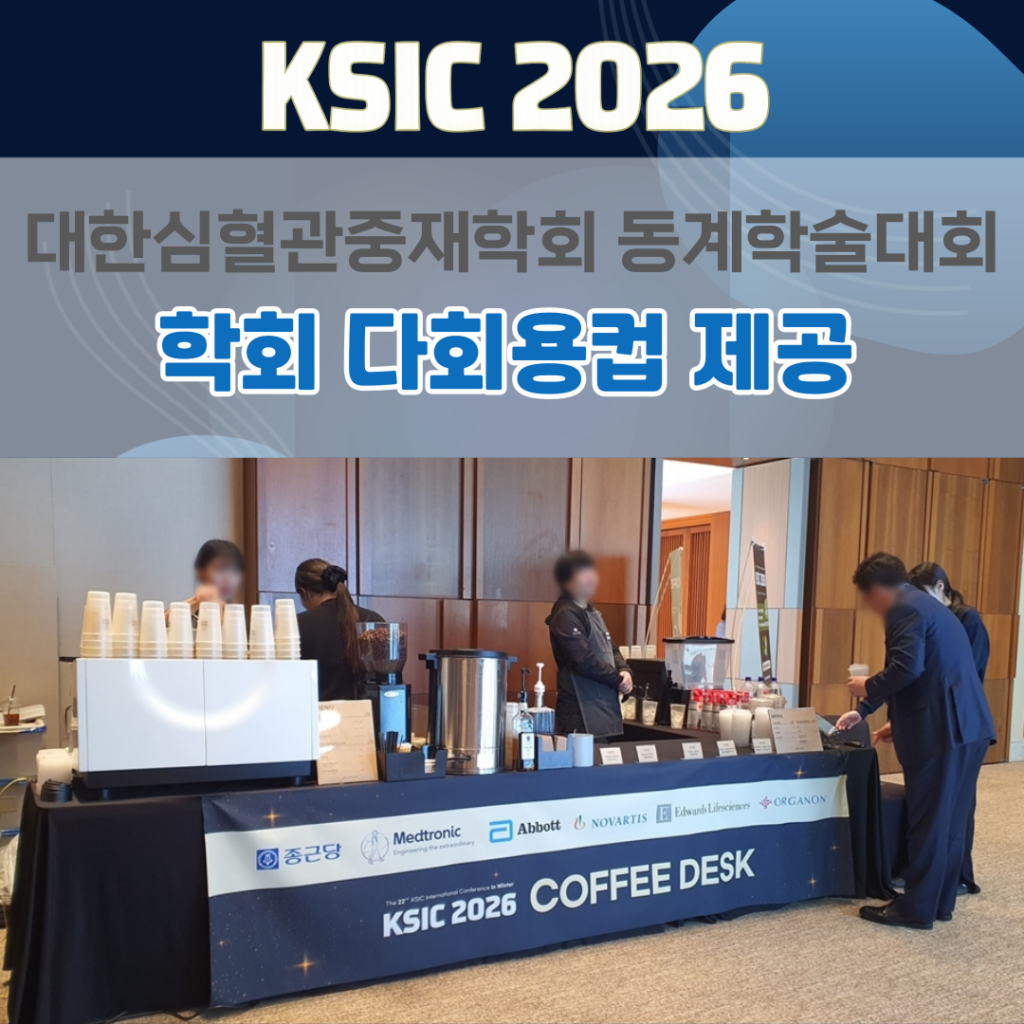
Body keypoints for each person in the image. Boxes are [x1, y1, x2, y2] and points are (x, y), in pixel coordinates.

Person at [839, 552, 994, 929]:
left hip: (940, 731)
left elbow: (906, 667)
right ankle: (939, 903)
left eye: (867, 598)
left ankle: (915, 909)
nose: (870, 608)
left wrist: (867, 686)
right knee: (950, 821)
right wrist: (866, 710)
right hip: (969, 727)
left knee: (928, 822)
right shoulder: (932, 606)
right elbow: (928, 671)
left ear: (877, 591)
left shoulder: (902, 608)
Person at [909, 561, 990, 896]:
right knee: (941, 803)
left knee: (957, 804)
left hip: (959, 718)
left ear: (940, 587)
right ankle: (935, 874)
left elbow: (965, 672)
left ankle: (956, 875)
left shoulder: (967, 619)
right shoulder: (930, 617)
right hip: (938, 718)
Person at [546, 550, 632, 738]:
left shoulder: (593, 612)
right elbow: (584, 660)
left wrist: (625, 671)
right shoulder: (566, 613)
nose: (591, 577)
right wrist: (618, 680)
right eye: (582, 572)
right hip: (580, 710)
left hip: (605, 708)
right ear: (567, 581)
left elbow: (612, 649)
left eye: (591, 571)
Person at [294, 558, 384, 701]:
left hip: (316, 713)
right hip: (372, 712)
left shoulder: (297, 625)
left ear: (305, 593)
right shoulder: (374, 620)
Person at [174, 539, 245, 622]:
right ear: (201, 572)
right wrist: (195, 602)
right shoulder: (189, 612)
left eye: (235, 570)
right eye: (220, 569)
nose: (229, 578)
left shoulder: (239, 617)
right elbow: (166, 620)